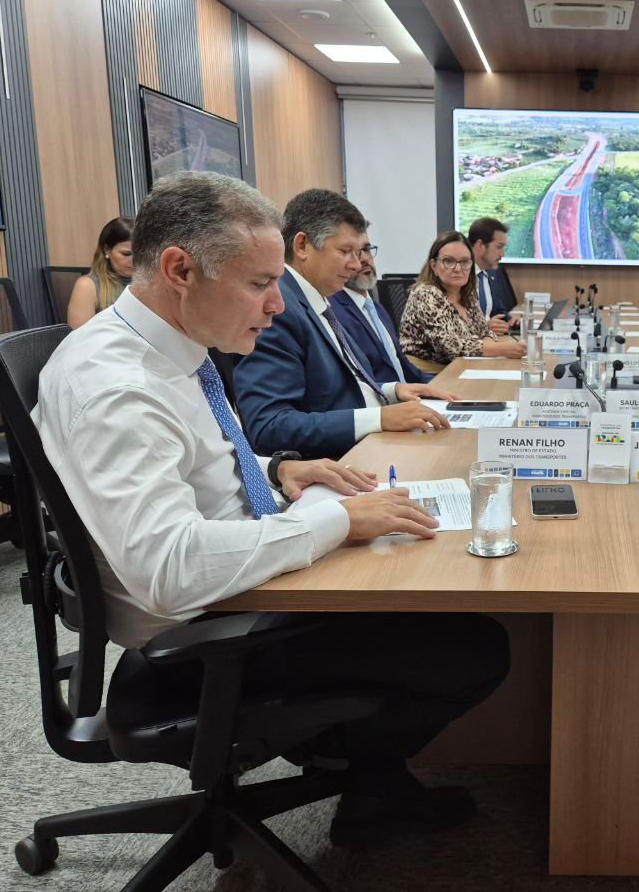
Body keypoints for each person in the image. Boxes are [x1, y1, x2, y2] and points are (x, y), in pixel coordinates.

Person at [33, 171, 509, 846]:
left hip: (229, 593)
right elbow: (170, 571)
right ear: (180, 271)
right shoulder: (117, 388)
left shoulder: (165, 351)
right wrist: (336, 520)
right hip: (205, 635)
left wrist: (279, 469)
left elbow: (196, 462)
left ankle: (365, 772)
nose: (279, 304)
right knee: (471, 647)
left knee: (417, 583)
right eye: (260, 283)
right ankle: (361, 778)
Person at [235, 189, 459, 460]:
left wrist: (391, 391)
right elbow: (269, 427)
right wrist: (379, 418)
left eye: (360, 251)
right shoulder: (279, 308)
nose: (356, 264)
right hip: (343, 461)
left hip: (369, 446)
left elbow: (330, 390)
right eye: (345, 251)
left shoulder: (318, 299)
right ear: (302, 245)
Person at [327, 208, 433, 386]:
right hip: (384, 401)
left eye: (366, 249)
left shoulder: (377, 308)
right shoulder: (334, 312)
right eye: (352, 252)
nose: (364, 259)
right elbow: (355, 382)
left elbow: (404, 367)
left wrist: (442, 386)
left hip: (409, 396)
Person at [399, 230, 527, 369]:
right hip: (427, 373)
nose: (458, 269)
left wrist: (492, 344)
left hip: (462, 366)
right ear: (434, 266)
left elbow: (485, 331)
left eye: (465, 262)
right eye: (449, 261)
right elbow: (450, 347)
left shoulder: (467, 293)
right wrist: (501, 349)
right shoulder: (425, 294)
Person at [67, 216, 134, 328]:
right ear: (106, 250)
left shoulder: (148, 283)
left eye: (140, 253)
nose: (134, 260)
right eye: (126, 254)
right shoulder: (87, 286)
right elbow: (81, 336)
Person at [468, 217, 519, 333]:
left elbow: (497, 310)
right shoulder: (460, 277)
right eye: (499, 247)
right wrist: (484, 327)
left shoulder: (490, 274)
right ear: (480, 245)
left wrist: (510, 319)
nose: (502, 254)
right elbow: (453, 325)